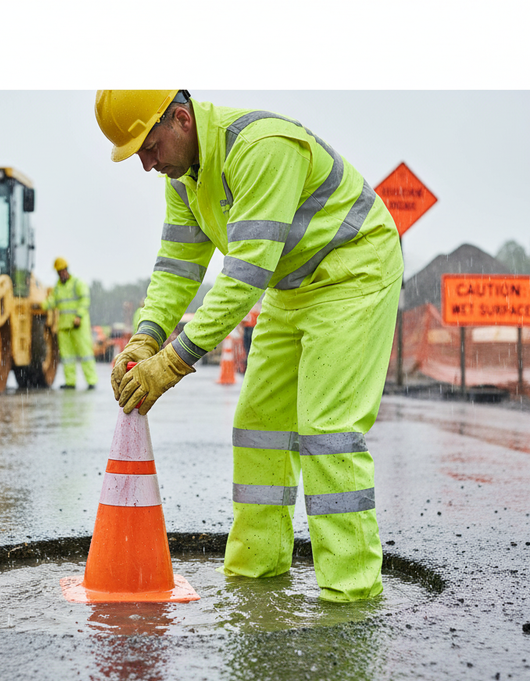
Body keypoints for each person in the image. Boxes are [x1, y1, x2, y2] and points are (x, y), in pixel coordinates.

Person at [94, 90, 403, 602]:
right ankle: (257, 574)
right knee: (259, 426)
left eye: (148, 147)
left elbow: (243, 276)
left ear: (182, 118)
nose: (146, 165)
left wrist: (171, 362)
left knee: (326, 430)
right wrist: (145, 338)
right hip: (292, 285)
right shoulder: (186, 179)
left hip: (353, 272)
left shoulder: (261, 147)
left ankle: (351, 593)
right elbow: (177, 269)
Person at [44, 257, 98, 390]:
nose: (60, 274)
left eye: (61, 271)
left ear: (66, 270)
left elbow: (85, 300)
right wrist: (39, 305)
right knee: (67, 357)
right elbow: (52, 302)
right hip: (64, 326)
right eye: (58, 272)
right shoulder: (57, 288)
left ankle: (91, 381)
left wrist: (78, 316)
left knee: (85, 354)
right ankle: (70, 382)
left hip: (78, 325)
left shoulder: (77, 283)